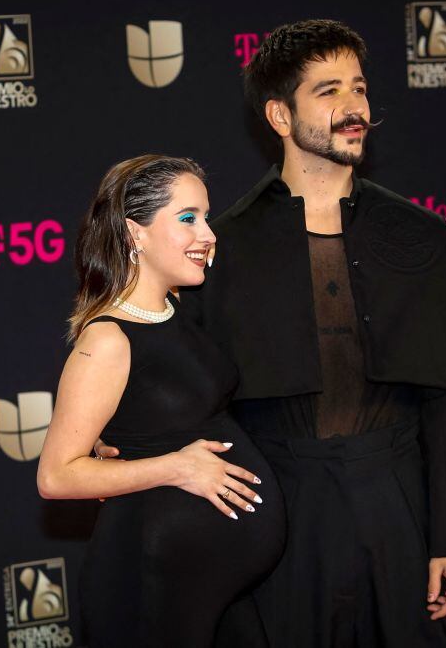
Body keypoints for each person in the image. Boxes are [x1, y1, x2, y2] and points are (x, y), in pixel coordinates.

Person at [99, 20, 446, 647]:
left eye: (358, 89)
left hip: (401, 508)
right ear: (280, 115)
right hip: (277, 515)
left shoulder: (419, 235)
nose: (353, 107)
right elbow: (170, 369)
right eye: (328, 91)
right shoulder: (220, 245)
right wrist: (118, 445)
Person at [37, 155, 286, 647]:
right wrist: (175, 468)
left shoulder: (178, 311)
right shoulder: (107, 338)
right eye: (188, 218)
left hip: (213, 585)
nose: (208, 233)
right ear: (135, 234)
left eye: (206, 217)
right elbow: (56, 475)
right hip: (149, 583)